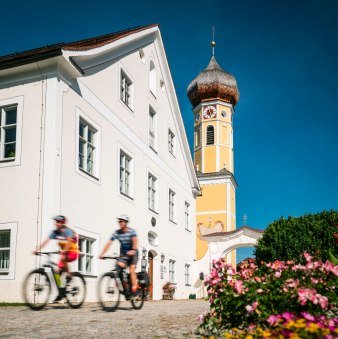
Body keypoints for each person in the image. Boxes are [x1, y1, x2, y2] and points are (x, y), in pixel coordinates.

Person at [34, 215, 78, 302]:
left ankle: (69, 275)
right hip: (64, 254)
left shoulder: (67, 231)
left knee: (63, 258)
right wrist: (37, 250)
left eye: (59, 222)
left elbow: (69, 241)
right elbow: (46, 241)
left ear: (63, 223)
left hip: (72, 252)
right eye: (56, 222)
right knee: (57, 273)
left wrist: (64, 250)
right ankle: (61, 293)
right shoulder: (55, 232)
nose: (57, 223)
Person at [99, 214, 138, 295]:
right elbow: (109, 243)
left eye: (122, 221)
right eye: (119, 221)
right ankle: (125, 288)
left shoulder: (132, 231)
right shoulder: (117, 233)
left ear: (126, 222)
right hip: (124, 254)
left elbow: (135, 242)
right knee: (119, 268)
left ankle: (134, 290)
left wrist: (133, 250)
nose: (120, 222)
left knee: (131, 270)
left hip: (133, 253)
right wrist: (102, 254)